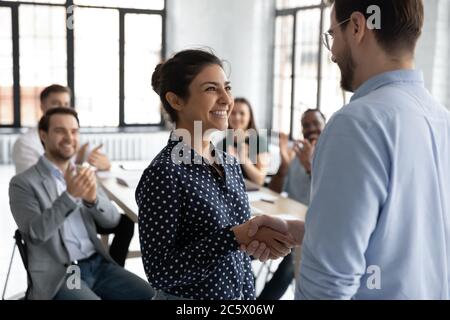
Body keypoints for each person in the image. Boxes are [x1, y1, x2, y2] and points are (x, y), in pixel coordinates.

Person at [244, 0, 450, 299]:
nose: (332, 54)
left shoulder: (356, 123)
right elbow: (400, 237)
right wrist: (305, 231)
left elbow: (328, 284)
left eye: (332, 35)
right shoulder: (442, 119)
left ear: (357, 26)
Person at [137, 49, 295, 300]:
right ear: (176, 101)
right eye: (211, 89)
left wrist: (257, 243)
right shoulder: (164, 173)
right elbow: (160, 273)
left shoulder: (229, 164)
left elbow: (230, 251)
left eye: (227, 88)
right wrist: (234, 238)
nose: (226, 99)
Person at [9, 107, 155, 300]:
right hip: (62, 274)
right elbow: (36, 234)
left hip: (99, 265)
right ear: (43, 135)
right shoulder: (23, 183)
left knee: (154, 297)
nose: (69, 137)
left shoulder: (84, 173)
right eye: (60, 131)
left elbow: (111, 222)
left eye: (74, 131)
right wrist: (69, 197)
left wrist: (93, 200)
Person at [11, 84, 133, 267]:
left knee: (123, 222)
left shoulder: (71, 131)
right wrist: (74, 181)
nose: (63, 107)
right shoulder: (25, 144)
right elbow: (36, 182)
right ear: (43, 106)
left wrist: (103, 163)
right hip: (52, 209)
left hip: (78, 207)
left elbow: (90, 156)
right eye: (56, 103)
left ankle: (112, 271)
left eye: (67, 103)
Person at [257, 109, 325, 300]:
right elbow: (275, 191)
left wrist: (311, 167)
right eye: (306, 125)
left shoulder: (332, 156)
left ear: (325, 125)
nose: (310, 129)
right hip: (289, 223)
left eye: (315, 123)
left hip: (313, 231)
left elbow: (330, 198)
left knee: (291, 261)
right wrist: (284, 166)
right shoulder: (296, 154)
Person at [218, 97, 269, 185]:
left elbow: (259, 180)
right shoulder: (221, 144)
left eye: (242, 113)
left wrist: (243, 158)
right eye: (233, 113)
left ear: (249, 117)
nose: (237, 117)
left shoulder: (259, 141)